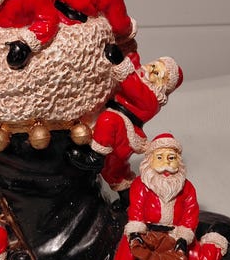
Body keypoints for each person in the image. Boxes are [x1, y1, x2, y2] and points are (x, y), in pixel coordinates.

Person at [69, 55, 183, 209]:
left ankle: (94, 157)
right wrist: (125, 53)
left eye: (157, 74)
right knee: (114, 169)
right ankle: (128, 198)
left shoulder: (151, 100)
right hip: (111, 126)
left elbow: (133, 87)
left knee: (108, 121)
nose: (150, 71)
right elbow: (132, 60)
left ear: (162, 86)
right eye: (153, 66)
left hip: (122, 129)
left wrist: (120, 62)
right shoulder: (137, 76)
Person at [113, 133, 228, 260]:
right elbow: (136, 211)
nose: (166, 164)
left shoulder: (187, 188)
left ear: (178, 161)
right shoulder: (140, 185)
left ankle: (215, 238)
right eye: (159, 158)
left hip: (174, 235)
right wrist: (136, 235)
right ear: (150, 160)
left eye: (171, 158)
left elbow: (190, 216)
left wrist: (183, 239)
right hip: (146, 234)